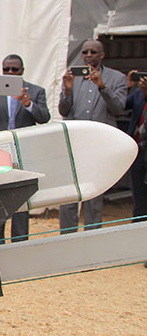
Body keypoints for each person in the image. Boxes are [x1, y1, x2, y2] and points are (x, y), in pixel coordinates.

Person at [0, 54, 50, 243]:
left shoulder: (35, 91)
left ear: (22, 71)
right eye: (6, 69)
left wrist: (28, 103)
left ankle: (20, 241)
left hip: (23, 150)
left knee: (21, 196)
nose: (10, 73)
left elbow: (44, 118)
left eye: (14, 70)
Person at [57, 39, 127, 233]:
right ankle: (66, 241)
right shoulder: (73, 77)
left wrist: (102, 87)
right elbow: (64, 111)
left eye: (93, 52)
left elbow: (119, 109)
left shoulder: (117, 78)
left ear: (102, 55)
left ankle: (91, 241)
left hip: (100, 145)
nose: (89, 55)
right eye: (86, 52)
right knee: (69, 194)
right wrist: (67, 90)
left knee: (94, 197)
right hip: (75, 144)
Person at [125, 71, 147, 225]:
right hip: (138, 150)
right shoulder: (138, 93)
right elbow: (121, 107)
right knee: (139, 198)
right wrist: (128, 88)